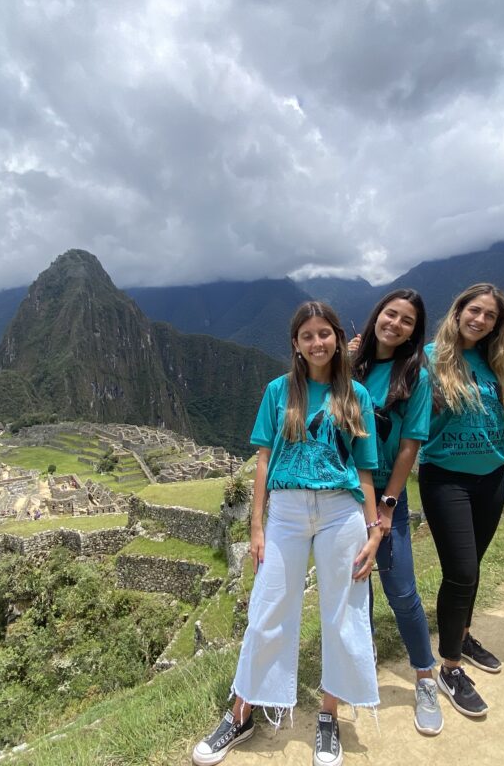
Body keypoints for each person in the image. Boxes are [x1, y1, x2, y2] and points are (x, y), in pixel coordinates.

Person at [192, 301, 382, 766]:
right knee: (267, 610)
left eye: (324, 333)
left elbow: (364, 470)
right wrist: (257, 524)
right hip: (288, 511)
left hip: (342, 512)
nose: (317, 342)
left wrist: (374, 531)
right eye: (307, 336)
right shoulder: (280, 392)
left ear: (337, 337)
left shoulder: (355, 394)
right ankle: (241, 713)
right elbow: (262, 459)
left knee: (343, 612)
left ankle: (328, 717)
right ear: (296, 345)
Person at [417, 283, 504, 718]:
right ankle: (451, 666)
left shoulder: (498, 361)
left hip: (492, 476)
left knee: (472, 568)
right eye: (474, 310)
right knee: (462, 571)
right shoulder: (432, 356)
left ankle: (464, 633)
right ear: (457, 312)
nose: (480, 320)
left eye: (490, 315)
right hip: (446, 478)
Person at [349, 289, 442, 735]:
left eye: (407, 321)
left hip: (387, 494)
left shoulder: (416, 374)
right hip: (343, 494)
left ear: (414, 330)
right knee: (357, 587)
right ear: (377, 316)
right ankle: (361, 669)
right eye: (391, 315)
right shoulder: (352, 367)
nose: (396, 324)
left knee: (400, 588)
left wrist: (387, 506)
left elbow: (410, 446)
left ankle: (425, 675)